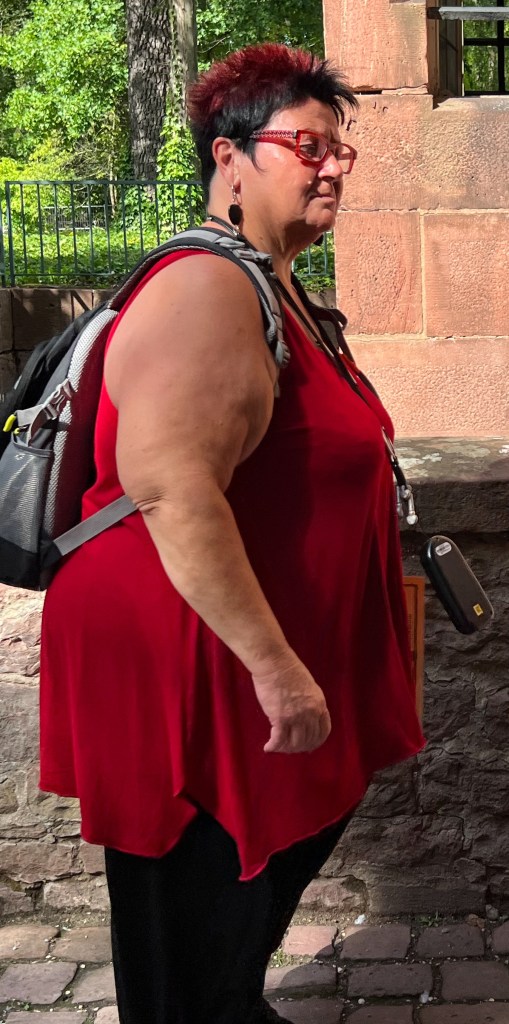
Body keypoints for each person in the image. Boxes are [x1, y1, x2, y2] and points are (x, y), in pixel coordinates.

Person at [39, 42, 425, 1024]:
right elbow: (170, 486)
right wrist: (278, 670)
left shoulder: (271, 280)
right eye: (307, 146)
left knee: (235, 905)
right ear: (230, 157)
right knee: (192, 918)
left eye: (339, 149)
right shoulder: (205, 287)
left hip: (238, 646)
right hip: (193, 658)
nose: (331, 168)